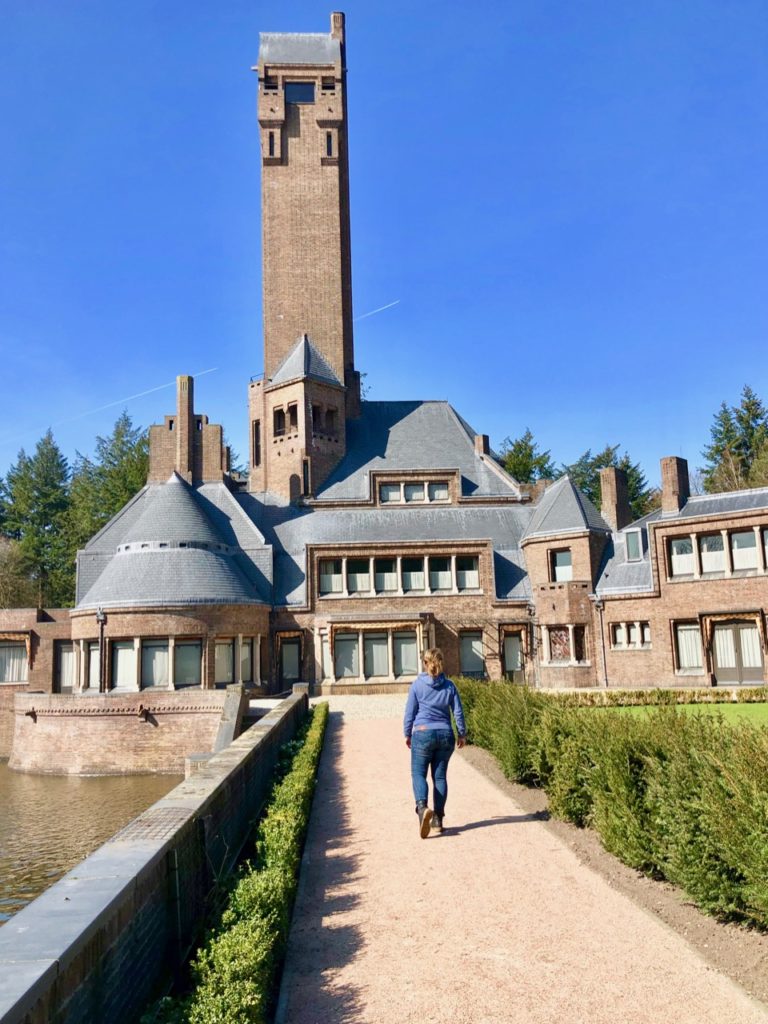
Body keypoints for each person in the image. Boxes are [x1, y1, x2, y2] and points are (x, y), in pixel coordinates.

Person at [403, 647, 467, 838]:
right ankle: (438, 819)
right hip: (445, 734)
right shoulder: (449, 686)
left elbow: (410, 713)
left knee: (418, 773)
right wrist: (461, 734)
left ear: (425, 663)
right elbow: (458, 713)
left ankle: (423, 808)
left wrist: (407, 733)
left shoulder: (416, 685)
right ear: (441, 663)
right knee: (440, 777)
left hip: (422, 734)